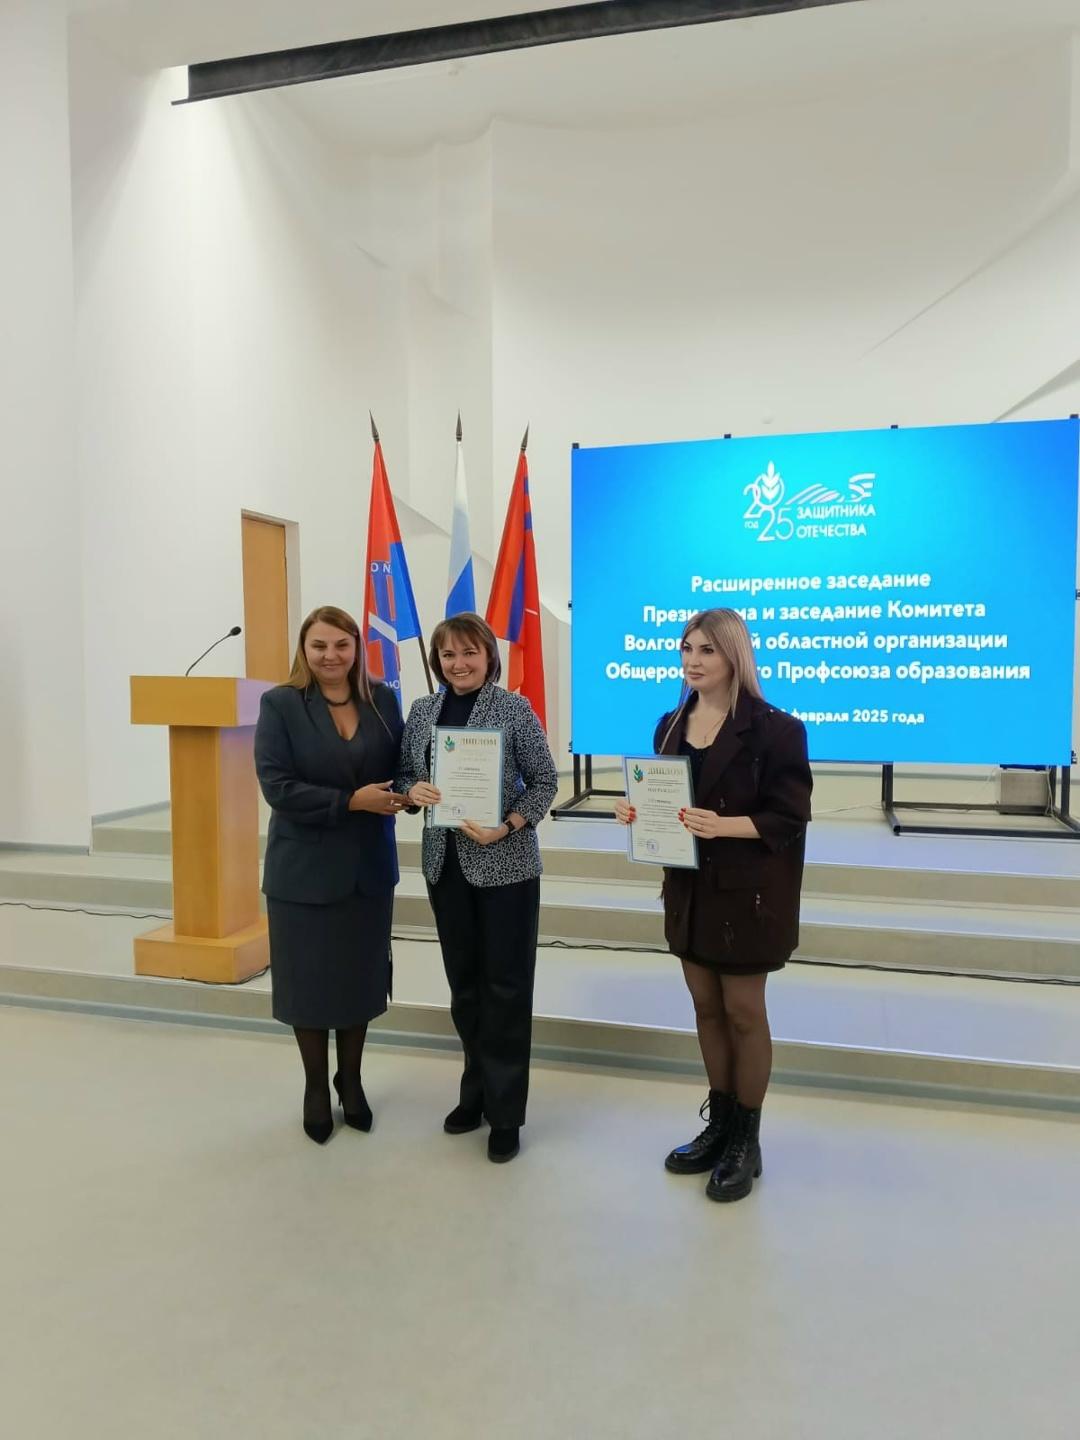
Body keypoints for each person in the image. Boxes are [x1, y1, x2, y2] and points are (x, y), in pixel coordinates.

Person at [615, 608, 811, 1202]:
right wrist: (636, 813)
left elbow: (788, 817)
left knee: (744, 1012)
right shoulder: (669, 725)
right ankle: (719, 1125)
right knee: (705, 1008)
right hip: (689, 890)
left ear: (734, 656)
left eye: (707, 650)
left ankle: (747, 1141)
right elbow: (666, 802)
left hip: (748, 895)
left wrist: (723, 826)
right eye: (686, 649)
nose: (693, 661)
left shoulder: (778, 730)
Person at [397, 613, 558, 1163]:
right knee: (465, 988)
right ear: (436, 661)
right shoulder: (422, 712)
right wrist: (413, 791)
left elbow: (545, 782)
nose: (459, 663)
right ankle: (476, 1092)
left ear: (489, 656)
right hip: (445, 867)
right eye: (448, 655)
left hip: (506, 866)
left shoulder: (514, 709)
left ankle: (506, 1112)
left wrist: (507, 826)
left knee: (506, 989)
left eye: (469, 653)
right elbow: (405, 776)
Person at [254, 605, 405, 1145]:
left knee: (359, 980)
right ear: (304, 649)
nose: (330, 655)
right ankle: (316, 1086)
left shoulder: (382, 699)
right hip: (303, 873)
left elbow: (403, 768)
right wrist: (350, 802)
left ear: (357, 647)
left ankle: (351, 1079)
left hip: (368, 870)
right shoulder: (280, 704)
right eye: (319, 645)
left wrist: (417, 792)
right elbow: (277, 787)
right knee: (309, 985)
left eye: (341, 644)